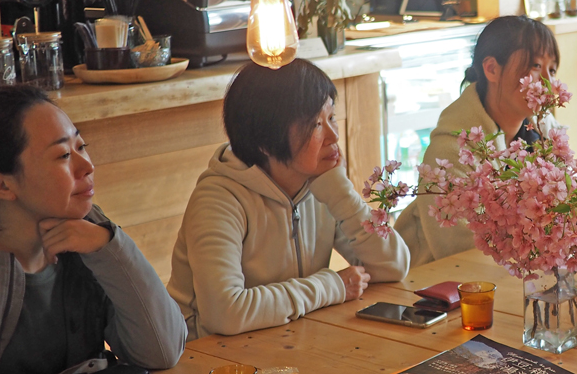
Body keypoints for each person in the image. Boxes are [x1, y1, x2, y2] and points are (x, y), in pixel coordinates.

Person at [0, 86, 186, 374]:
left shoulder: (87, 236)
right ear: (0, 184)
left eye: (81, 147)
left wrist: (110, 248)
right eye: (61, 155)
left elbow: (161, 350)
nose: (86, 166)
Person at [168, 60, 409, 340]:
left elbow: (392, 267)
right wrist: (331, 286)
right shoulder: (218, 199)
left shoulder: (323, 185)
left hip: (291, 341)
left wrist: (342, 192)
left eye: (331, 118)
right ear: (266, 142)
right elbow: (225, 313)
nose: (332, 136)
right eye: (315, 125)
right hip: (211, 362)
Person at [396, 16, 560, 265]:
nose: (547, 82)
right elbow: (460, 255)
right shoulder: (449, 153)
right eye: (536, 66)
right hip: (440, 289)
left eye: (553, 69)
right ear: (492, 69)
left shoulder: (545, 132)